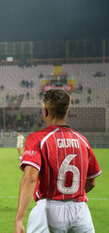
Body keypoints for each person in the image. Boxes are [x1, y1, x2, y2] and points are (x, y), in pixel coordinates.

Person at [15, 89, 102, 233]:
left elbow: (30, 178)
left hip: (49, 210)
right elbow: (91, 181)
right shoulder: (82, 141)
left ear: (46, 112)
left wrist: (19, 219)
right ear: (67, 112)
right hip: (81, 212)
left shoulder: (38, 138)